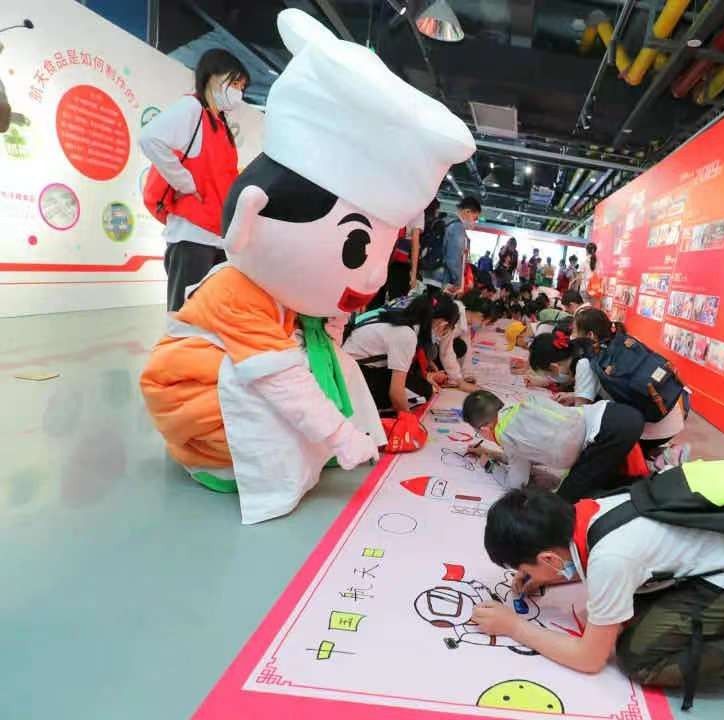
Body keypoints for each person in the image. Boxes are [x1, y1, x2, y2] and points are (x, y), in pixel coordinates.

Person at [139, 8, 475, 524]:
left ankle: (309, 447)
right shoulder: (236, 291)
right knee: (274, 378)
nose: (372, 278)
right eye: (359, 248)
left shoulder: (289, 296)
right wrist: (341, 436)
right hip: (197, 403)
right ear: (255, 211)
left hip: (220, 271)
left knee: (321, 359)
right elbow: (283, 382)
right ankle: (247, 466)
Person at [473, 463, 724, 719]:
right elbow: (603, 559)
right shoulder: (590, 510)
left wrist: (515, 627)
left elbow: (589, 658)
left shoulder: (610, 559)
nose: (526, 576)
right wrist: (550, 577)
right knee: (624, 615)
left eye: (526, 570)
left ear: (548, 558)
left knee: (638, 657)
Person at [140, 49, 249, 311]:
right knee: (185, 315)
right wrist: (184, 182)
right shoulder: (192, 108)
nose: (239, 92)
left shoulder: (219, 122)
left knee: (208, 315)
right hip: (192, 234)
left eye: (242, 87)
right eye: (235, 83)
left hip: (216, 235)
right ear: (212, 76)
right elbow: (150, 139)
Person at [462, 389, 644, 503]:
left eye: (479, 433)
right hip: (614, 413)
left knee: (562, 501)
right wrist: (490, 453)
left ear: (484, 429)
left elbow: (515, 484)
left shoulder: (507, 435)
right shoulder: (522, 407)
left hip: (607, 434)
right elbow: (525, 456)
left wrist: (489, 465)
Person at [574, 308, 690, 466]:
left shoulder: (587, 362)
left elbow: (580, 411)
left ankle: (662, 458)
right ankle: (663, 452)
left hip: (650, 429)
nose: (572, 336)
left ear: (590, 335)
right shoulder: (628, 341)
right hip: (672, 414)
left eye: (575, 331)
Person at [342, 292, 460, 412]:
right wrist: (407, 419)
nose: (442, 335)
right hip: (351, 378)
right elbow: (396, 392)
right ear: (442, 324)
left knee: (417, 383)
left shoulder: (399, 316)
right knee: (423, 391)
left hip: (347, 367)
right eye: (446, 330)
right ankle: (371, 408)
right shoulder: (406, 334)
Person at [424, 196, 479, 293]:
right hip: (442, 278)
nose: (474, 222)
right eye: (475, 218)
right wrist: (458, 282)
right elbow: (453, 259)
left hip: (430, 271)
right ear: (467, 212)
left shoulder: (447, 220)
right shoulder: (457, 227)